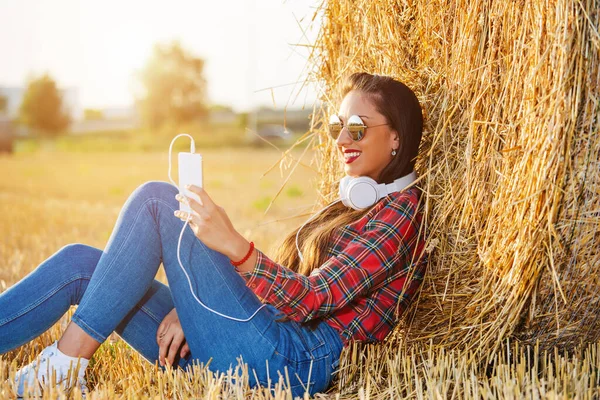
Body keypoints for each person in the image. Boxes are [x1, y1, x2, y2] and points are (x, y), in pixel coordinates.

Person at [0, 72, 428, 398]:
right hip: (250, 340)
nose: (341, 140)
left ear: (395, 137)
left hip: (289, 362)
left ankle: (62, 368)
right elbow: (288, 294)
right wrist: (195, 309)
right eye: (336, 127)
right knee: (80, 264)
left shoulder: (400, 214)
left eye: (356, 126)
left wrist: (234, 246)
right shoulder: (355, 203)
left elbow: (313, 298)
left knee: (156, 201)